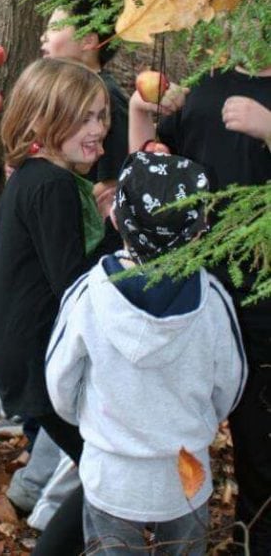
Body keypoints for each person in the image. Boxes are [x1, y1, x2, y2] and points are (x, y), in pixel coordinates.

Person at [38, 151, 247, 556]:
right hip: (185, 471)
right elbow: (229, 384)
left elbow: (60, 381)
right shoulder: (214, 301)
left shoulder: (87, 296)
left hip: (112, 470)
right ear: (200, 229)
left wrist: (90, 420)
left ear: (116, 219)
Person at [130, 66, 271, 556]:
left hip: (263, 300)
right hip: (199, 292)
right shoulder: (206, 86)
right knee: (180, 423)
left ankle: (253, 539)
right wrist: (140, 113)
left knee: (259, 436)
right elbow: (149, 172)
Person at [0, 58, 110, 551]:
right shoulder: (53, 185)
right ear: (41, 120)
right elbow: (75, 284)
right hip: (37, 354)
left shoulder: (37, 176)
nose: (97, 129)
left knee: (98, 464)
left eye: (100, 116)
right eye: (83, 119)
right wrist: (117, 232)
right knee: (103, 468)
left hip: (20, 347)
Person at [40, 0, 129, 240]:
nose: (43, 37)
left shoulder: (107, 98)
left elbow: (111, 181)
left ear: (88, 41)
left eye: (55, 28)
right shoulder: (64, 94)